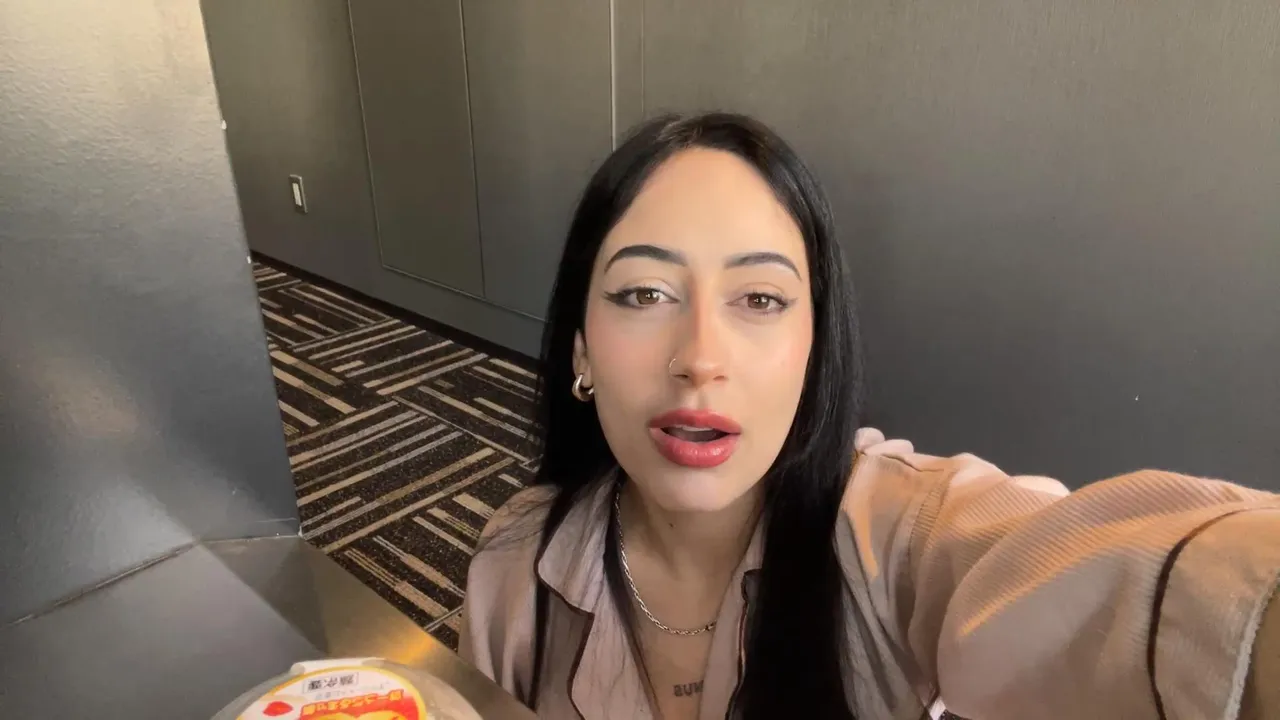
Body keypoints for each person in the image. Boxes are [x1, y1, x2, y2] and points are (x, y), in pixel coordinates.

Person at [458, 113, 1279, 720]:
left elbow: (1107, 580)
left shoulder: (890, 536)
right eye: (644, 294)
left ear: (814, 347)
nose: (700, 357)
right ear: (581, 350)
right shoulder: (514, 563)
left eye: (760, 299)